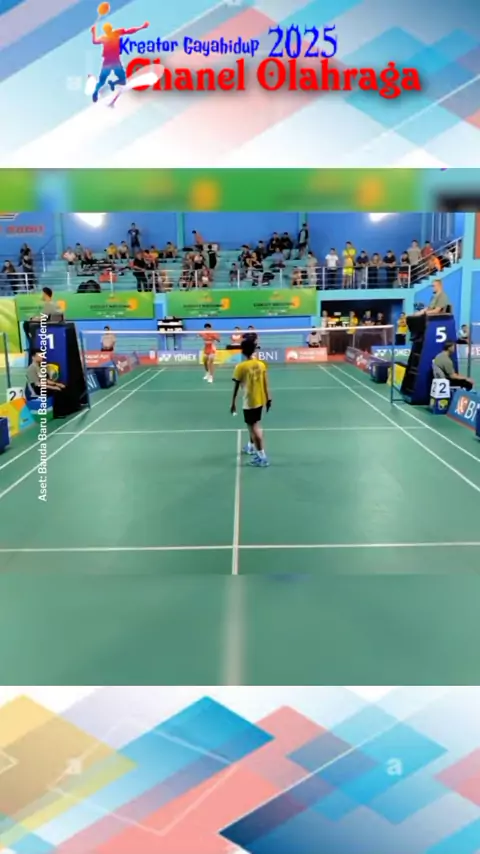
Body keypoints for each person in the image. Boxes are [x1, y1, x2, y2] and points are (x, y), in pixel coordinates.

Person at [231, 337, 271, 467]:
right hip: (260, 400)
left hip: (249, 401)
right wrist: (268, 398)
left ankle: (262, 456)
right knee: (256, 425)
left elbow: (236, 387)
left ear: (242, 351)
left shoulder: (240, 367)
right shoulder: (261, 364)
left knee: (253, 428)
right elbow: (265, 382)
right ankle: (252, 447)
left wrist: (233, 403)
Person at [91, 21, 149, 101]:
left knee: (103, 81)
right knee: (122, 81)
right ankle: (110, 84)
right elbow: (130, 31)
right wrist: (141, 27)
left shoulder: (106, 37)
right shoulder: (115, 33)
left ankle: (101, 89)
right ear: (110, 28)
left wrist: (93, 32)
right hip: (114, 61)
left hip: (109, 62)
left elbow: (95, 41)